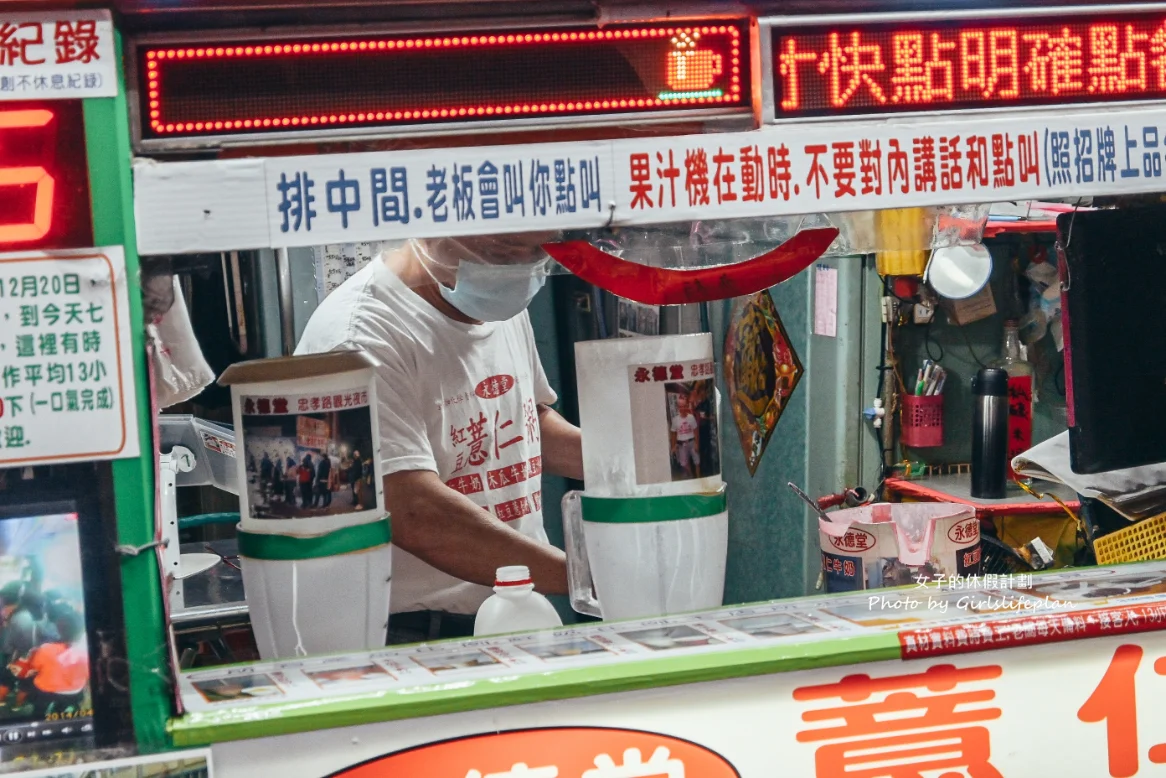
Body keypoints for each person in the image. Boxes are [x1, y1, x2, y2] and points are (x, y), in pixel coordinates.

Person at [295, 234, 583, 642]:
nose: (520, 270)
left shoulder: (498, 302)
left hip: (510, 608)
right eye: (501, 251)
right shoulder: (356, 339)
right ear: (430, 230)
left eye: (539, 253)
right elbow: (415, 512)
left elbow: (524, 419)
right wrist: (585, 575)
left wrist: (640, 461)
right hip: (415, 631)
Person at [23, 609, 88, 718]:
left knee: (39, 713)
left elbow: (35, 667)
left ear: (58, 629)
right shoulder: (88, 649)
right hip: (75, 691)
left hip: (46, 691)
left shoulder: (46, 649)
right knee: (64, 712)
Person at [670, 394, 701, 479]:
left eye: (684, 406)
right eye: (680, 407)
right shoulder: (675, 420)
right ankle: (691, 476)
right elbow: (673, 433)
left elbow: (696, 431)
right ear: (678, 407)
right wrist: (673, 446)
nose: (682, 409)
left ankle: (698, 478)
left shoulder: (691, 418)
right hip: (681, 445)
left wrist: (696, 444)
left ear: (686, 406)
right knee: (685, 464)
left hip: (692, 442)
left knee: (697, 462)